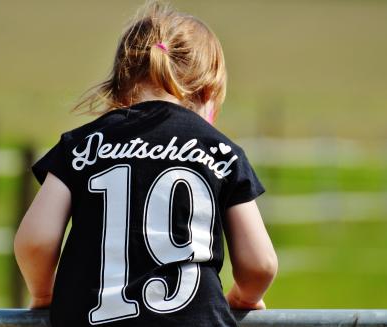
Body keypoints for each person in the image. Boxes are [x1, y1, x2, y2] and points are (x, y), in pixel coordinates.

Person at [14, 1, 278, 326]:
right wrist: (245, 298)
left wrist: (43, 294)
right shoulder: (222, 152)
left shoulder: (82, 145)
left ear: (120, 82)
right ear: (209, 92)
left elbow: (35, 240)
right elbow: (260, 264)